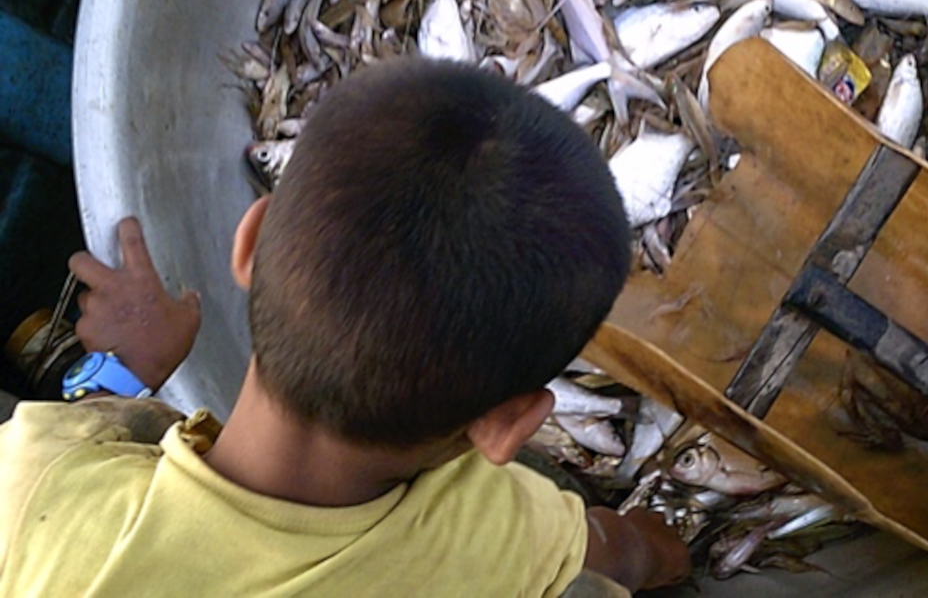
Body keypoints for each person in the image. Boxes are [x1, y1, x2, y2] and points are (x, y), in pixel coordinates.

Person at [0, 57, 690, 595]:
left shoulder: (35, 475)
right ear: (507, 424)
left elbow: (70, 466)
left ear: (251, 240)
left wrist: (116, 376)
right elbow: (621, 556)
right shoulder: (496, 532)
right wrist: (663, 548)